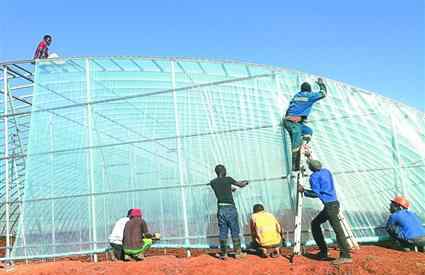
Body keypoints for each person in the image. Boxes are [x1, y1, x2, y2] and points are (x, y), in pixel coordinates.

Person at [297, 154, 352, 264]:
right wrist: (309, 158)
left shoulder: (314, 177)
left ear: (311, 169)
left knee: (338, 230)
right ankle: (323, 252)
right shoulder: (326, 171)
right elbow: (315, 166)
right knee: (315, 224)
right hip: (333, 204)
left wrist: (303, 190)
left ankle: (345, 255)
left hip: (329, 206)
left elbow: (315, 193)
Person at [282, 78, 327, 170]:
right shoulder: (309, 96)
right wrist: (321, 84)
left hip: (293, 121)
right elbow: (323, 93)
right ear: (309, 90)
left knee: (308, 131)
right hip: (293, 122)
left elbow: (291, 108)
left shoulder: (297, 95)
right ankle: (294, 163)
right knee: (296, 140)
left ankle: (303, 146)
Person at [209, 164, 249, 260]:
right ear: (223, 171)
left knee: (223, 231)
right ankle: (238, 253)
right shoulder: (228, 179)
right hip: (230, 208)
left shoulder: (212, 182)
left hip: (220, 209)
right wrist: (246, 182)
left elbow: (224, 188)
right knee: (234, 229)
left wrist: (231, 189)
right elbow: (241, 185)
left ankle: (223, 254)